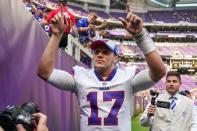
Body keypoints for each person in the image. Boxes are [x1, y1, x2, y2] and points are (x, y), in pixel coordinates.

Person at [37, 10, 166, 131]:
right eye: (96, 52)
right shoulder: (81, 76)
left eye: (105, 52)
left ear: (115, 58)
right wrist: (56, 35)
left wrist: (141, 36)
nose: (99, 55)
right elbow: (45, 72)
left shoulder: (128, 76)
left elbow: (159, 71)